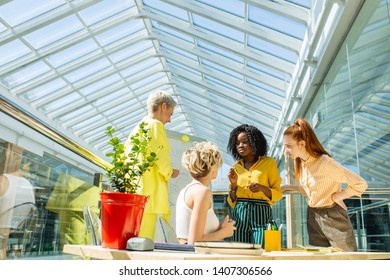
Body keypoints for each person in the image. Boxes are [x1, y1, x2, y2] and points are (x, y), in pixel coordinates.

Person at [281, 118, 368, 251]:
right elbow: (308, 189)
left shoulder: (325, 163)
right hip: (313, 215)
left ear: (302, 144)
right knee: (320, 262)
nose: (285, 150)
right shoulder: (302, 163)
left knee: (347, 261)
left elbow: (360, 184)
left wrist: (337, 197)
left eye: (289, 146)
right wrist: (287, 187)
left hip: (332, 216)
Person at [125, 90, 180, 240]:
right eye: (170, 114)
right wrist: (171, 172)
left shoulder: (137, 129)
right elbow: (160, 158)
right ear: (163, 106)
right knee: (144, 242)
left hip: (134, 194)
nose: (169, 120)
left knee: (132, 241)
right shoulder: (155, 126)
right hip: (149, 196)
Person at [227, 124, 282, 244]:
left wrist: (262, 188)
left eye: (245, 142)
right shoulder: (235, 167)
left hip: (261, 212)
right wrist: (233, 185)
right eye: (237, 143)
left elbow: (278, 194)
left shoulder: (269, 163)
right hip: (239, 214)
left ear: (255, 143)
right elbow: (232, 201)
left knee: (262, 250)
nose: (240, 146)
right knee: (239, 251)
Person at [176, 142, 236, 245]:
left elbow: (188, 233)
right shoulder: (202, 192)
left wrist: (220, 227)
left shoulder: (186, 190)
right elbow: (194, 241)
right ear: (213, 169)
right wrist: (224, 232)